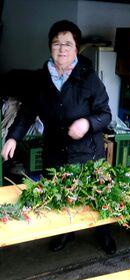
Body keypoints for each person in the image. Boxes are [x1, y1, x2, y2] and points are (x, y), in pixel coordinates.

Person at [1, 20, 117, 255]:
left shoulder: (89, 78)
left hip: (87, 154)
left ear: (76, 48)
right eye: (56, 43)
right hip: (55, 153)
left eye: (68, 44)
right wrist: (13, 138)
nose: (62, 49)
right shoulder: (40, 80)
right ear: (50, 47)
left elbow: (105, 114)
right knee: (61, 197)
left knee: (96, 196)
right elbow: (27, 113)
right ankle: (66, 232)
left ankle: (103, 232)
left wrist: (87, 123)